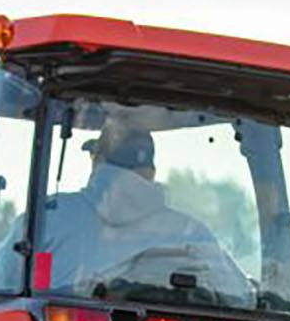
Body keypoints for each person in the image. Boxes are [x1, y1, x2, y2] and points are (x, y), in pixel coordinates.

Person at [33, 122, 253, 307]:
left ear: (97, 161)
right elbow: (241, 299)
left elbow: (6, 279)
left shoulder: (50, 216)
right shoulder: (191, 234)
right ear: (150, 172)